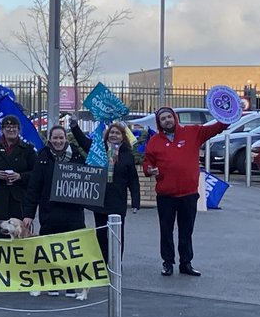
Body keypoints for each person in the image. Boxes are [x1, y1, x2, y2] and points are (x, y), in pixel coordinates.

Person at [143, 106, 228, 277]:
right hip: (166, 195)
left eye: (169, 117)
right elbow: (147, 163)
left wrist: (230, 114)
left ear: (175, 117)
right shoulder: (154, 141)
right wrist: (150, 170)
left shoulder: (193, 132)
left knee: (186, 230)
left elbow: (217, 128)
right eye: (163, 119)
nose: (167, 120)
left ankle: (186, 263)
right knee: (166, 230)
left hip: (188, 194)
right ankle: (167, 263)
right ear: (159, 123)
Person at [23, 124, 90, 299]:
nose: (58, 141)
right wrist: (28, 214)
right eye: (55, 138)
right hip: (49, 212)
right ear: (49, 139)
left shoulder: (77, 155)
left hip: (73, 213)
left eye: (61, 138)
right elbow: (34, 188)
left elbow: (88, 177)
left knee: (72, 251)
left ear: (66, 139)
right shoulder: (43, 157)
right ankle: (52, 283)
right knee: (50, 251)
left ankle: (71, 285)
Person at [72, 120, 141, 262]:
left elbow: (133, 179)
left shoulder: (127, 155)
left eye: (117, 133)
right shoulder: (99, 149)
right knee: (101, 233)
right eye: (111, 132)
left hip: (117, 200)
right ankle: (102, 262)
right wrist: (74, 126)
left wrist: (135, 201)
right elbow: (83, 142)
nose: (114, 135)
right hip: (100, 199)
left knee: (117, 234)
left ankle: (116, 263)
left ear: (123, 136)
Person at [0, 115, 36, 237]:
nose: (11, 130)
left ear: (19, 130)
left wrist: (20, 176)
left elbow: (36, 175)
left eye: (14, 127)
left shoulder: (27, 149)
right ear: (2, 130)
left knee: (19, 237)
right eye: (7, 127)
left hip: (19, 202)